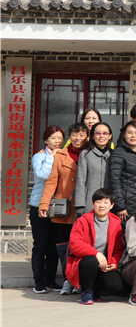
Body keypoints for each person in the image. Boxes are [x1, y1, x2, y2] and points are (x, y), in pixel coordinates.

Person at [39, 122, 88, 295]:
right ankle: (68, 279)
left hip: (84, 208)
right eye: (74, 134)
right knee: (63, 245)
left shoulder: (90, 153)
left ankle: (80, 280)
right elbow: (51, 181)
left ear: (87, 137)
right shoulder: (60, 155)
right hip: (64, 209)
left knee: (82, 246)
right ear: (69, 137)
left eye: (82, 135)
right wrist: (44, 204)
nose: (78, 138)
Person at [66, 188, 124, 305]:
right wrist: (96, 253)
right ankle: (86, 291)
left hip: (104, 265)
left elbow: (118, 249)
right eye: (98, 202)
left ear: (111, 205)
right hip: (85, 264)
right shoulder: (83, 221)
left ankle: (96, 290)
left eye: (106, 202)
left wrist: (113, 263)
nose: (102, 205)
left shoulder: (116, 223)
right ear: (93, 204)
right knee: (91, 261)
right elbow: (75, 244)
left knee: (115, 285)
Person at [29, 125, 64, 293]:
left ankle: (50, 280)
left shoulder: (63, 155)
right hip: (39, 205)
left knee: (53, 246)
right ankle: (39, 282)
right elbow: (42, 174)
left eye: (60, 138)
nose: (57, 141)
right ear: (45, 140)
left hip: (57, 207)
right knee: (40, 245)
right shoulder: (39, 156)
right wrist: (52, 157)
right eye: (53, 138)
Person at [109, 120, 136, 221]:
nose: (133, 136)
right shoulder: (118, 153)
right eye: (129, 132)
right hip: (126, 205)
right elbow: (115, 181)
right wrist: (120, 206)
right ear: (124, 134)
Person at [75, 122, 113, 218]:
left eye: (105, 133)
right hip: (90, 202)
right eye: (98, 133)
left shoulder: (114, 155)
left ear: (110, 136)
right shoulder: (85, 154)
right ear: (92, 136)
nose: (101, 136)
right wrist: (80, 205)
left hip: (109, 204)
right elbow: (80, 181)